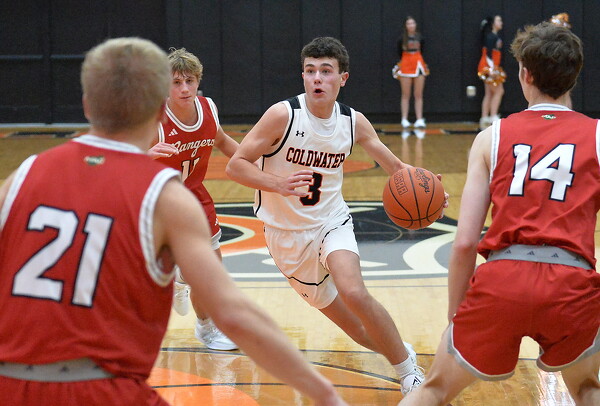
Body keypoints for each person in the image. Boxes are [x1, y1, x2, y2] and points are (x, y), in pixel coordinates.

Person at [0, 37, 349, 406]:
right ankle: (177, 274)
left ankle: (179, 278)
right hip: (103, 385)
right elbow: (233, 312)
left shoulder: (22, 176)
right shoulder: (160, 194)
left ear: (87, 105)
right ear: (158, 107)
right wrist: (323, 392)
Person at [227, 36, 440, 396]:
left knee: (355, 292)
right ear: (303, 75)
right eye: (310, 71)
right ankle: (400, 350)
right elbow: (236, 165)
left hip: (331, 222)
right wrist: (278, 184)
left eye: (326, 71)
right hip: (286, 235)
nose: (317, 79)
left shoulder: (353, 122)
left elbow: (396, 167)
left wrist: (431, 187)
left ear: (343, 78)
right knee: (358, 331)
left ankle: (410, 374)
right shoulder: (282, 116)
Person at [400, 22, 600, 406]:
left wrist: (456, 315)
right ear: (575, 75)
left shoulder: (490, 138)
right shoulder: (597, 136)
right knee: (588, 389)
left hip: (503, 279)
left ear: (524, 74)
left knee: (435, 389)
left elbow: (464, 243)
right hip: (571, 284)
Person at [148, 48, 238, 351]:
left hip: (195, 196)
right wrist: (146, 154)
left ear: (198, 81)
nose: (184, 89)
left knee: (211, 268)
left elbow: (222, 141)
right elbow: (120, 161)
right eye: (176, 82)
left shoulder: (208, 107)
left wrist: (257, 163)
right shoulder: (153, 117)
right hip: (160, 202)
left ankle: (207, 327)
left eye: (190, 81)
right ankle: (178, 276)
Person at [393, 16, 429, 129]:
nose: (411, 25)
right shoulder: (401, 39)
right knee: (405, 95)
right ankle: (404, 119)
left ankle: (419, 119)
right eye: (409, 23)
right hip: (406, 65)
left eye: (413, 23)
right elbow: (399, 52)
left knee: (418, 94)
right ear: (406, 26)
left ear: (415, 25)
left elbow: (423, 50)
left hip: (419, 64)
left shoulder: (420, 37)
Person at [478, 15, 506, 130]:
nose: (501, 22)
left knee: (489, 93)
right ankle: (493, 117)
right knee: (499, 91)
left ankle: (484, 118)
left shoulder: (493, 36)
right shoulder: (491, 37)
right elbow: (488, 54)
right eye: (499, 20)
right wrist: (492, 70)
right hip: (488, 67)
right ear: (493, 23)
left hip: (488, 67)